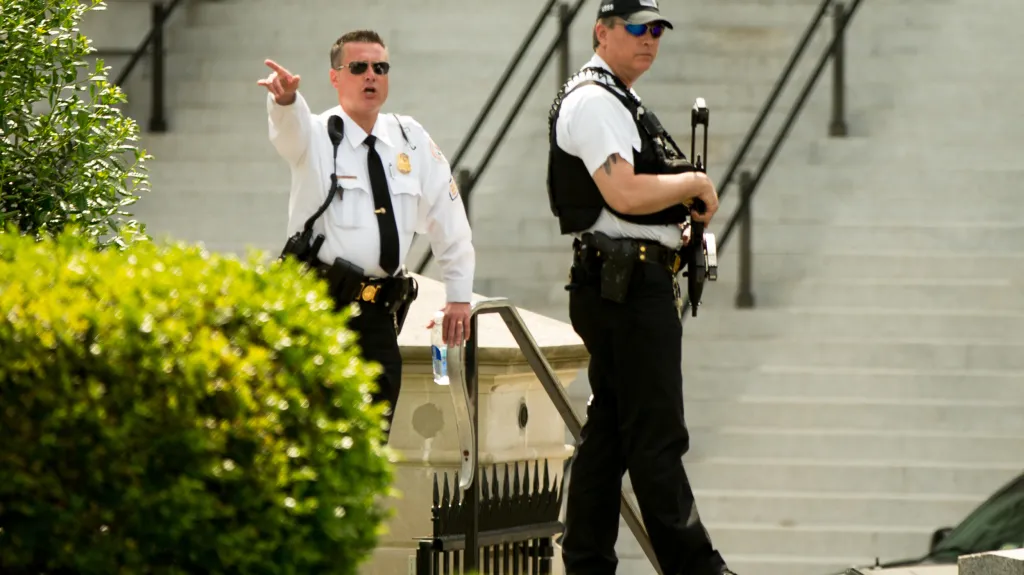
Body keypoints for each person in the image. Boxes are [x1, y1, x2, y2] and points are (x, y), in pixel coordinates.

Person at [546, 1, 737, 574]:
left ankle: (585, 562)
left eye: (656, 30)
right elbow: (624, 195)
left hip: (624, 282)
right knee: (656, 435)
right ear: (601, 34)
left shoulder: (617, 100)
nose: (649, 39)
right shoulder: (595, 101)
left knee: (607, 435)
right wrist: (695, 182)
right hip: (624, 287)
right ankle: (697, 568)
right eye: (635, 29)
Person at [258, 29, 475, 437]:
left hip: (378, 316)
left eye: (381, 67)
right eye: (358, 67)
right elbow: (289, 130)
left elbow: (448, 219)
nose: (371, 75)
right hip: (321, 313)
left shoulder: (409, 138)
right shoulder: (318, 134)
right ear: (336, 77)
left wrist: (459, 295)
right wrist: (284, 101)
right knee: (314, 441)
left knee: (372, 443)